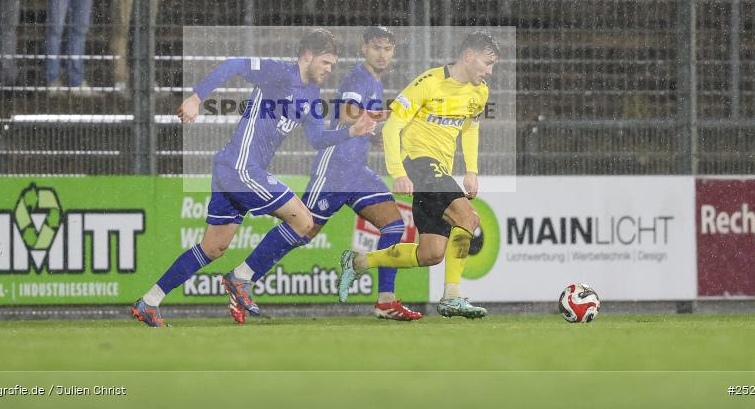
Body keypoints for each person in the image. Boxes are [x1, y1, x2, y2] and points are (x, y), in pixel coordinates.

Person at [130, 28, 376, 327]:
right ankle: (241, 277)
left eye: (332, 64)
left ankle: (149, 302)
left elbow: (317, 138)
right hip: (240, 168)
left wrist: (351, 131)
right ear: (308, 56)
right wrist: (197, 97)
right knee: (304, 221)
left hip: (232, 171)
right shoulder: (279, 73)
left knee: (214, 247)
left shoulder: (311, 94)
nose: (329, 69)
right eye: (325, 62)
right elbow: (234, 64)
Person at [224, 26, 422, 323]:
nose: (382, 54)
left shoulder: (374, 82)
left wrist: (376, 135)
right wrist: (391, 115)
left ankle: (385, 301)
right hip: (336, 169)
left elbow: (361, 123)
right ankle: (242, 275)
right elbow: (348, 113)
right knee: (304, 230)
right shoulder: (358, 77)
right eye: (376, 47)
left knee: (394, 225)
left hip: (357, 172)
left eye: (388, 48)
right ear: (363, 48)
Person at [337, 31, 501, 319]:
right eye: (487, 64)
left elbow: (471, 129)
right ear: (468, 56)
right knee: (469, 218)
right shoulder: (429, 82)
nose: (489, 71)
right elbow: (391, 127)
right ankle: (453, 297)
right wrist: (398, 172)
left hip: (440, 170)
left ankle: (359, 261)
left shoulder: (480, 91)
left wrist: (472, 171)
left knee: (431, 253)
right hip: (419, 164)